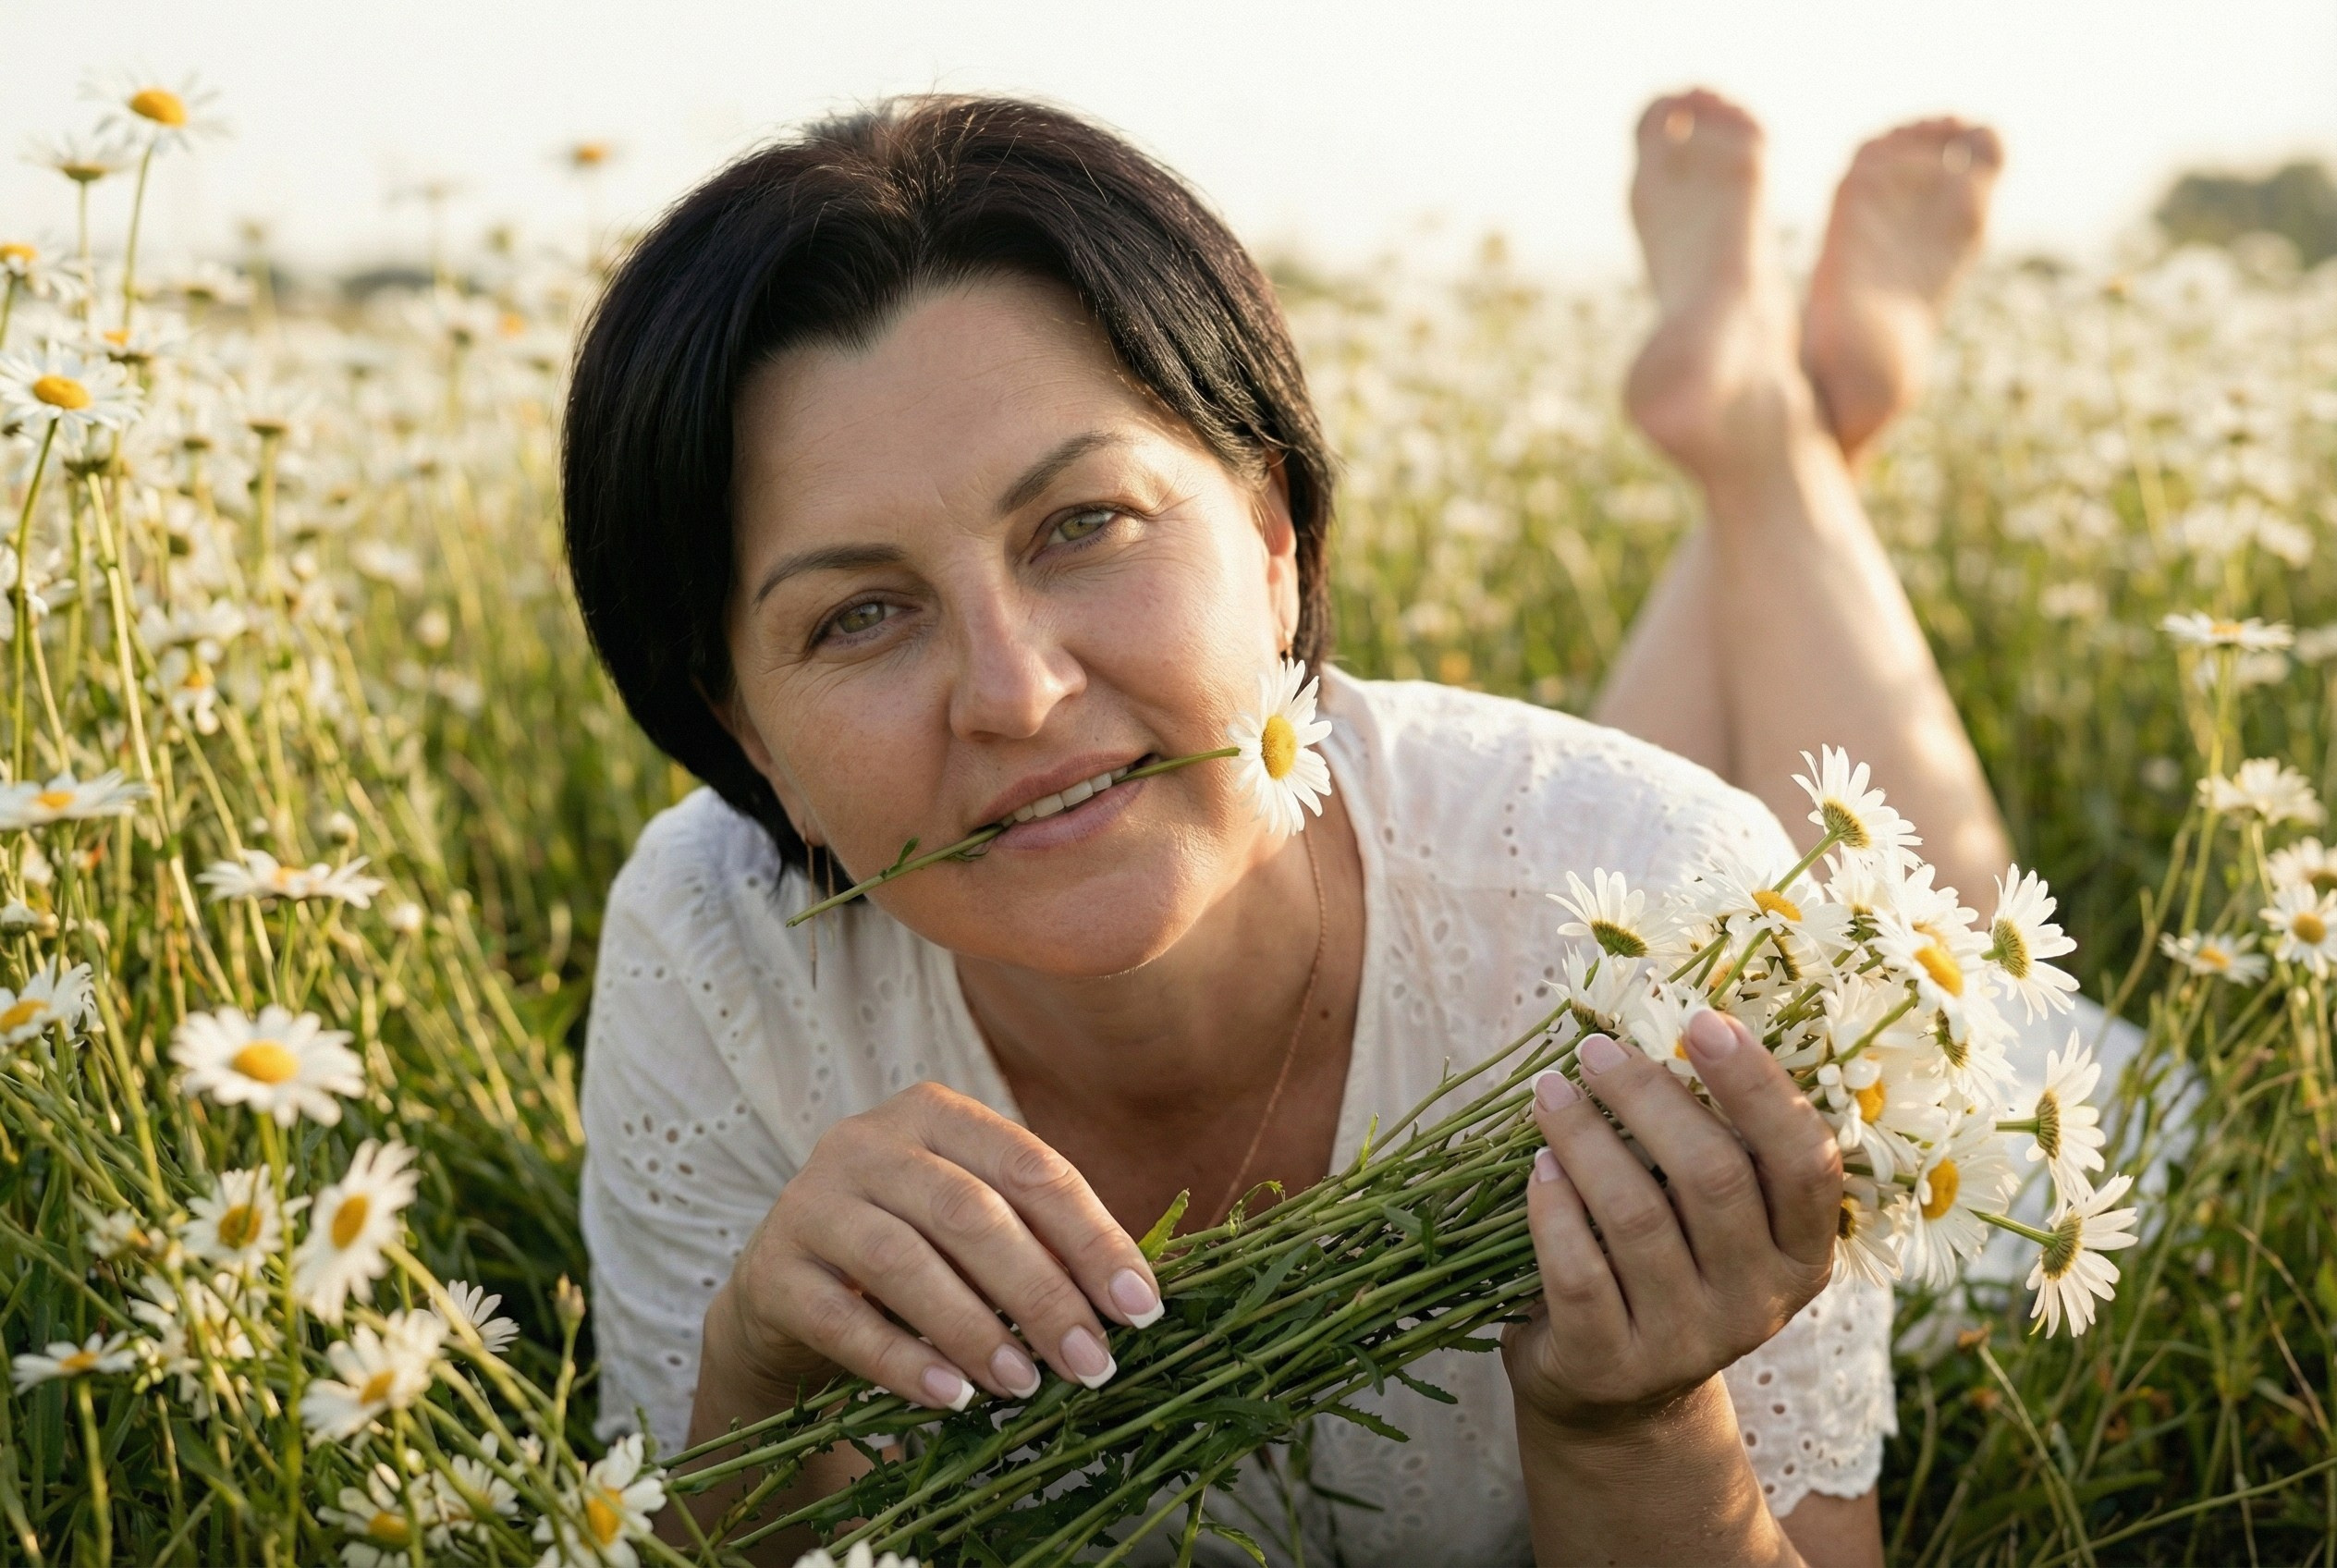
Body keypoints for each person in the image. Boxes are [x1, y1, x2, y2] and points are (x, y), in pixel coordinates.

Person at [562, 89, 2009, 1567]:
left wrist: (1634, 1431)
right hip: (1563, 869)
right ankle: (1772, 429)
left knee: (1963, 942)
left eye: (1083, 524)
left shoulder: (1683, 888)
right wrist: (754, 1379)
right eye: (862, 615)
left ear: (1273, 535)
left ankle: (1773, 441)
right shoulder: (716, 954)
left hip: (1975, 1105)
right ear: (747, 734)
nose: (1016, 693)